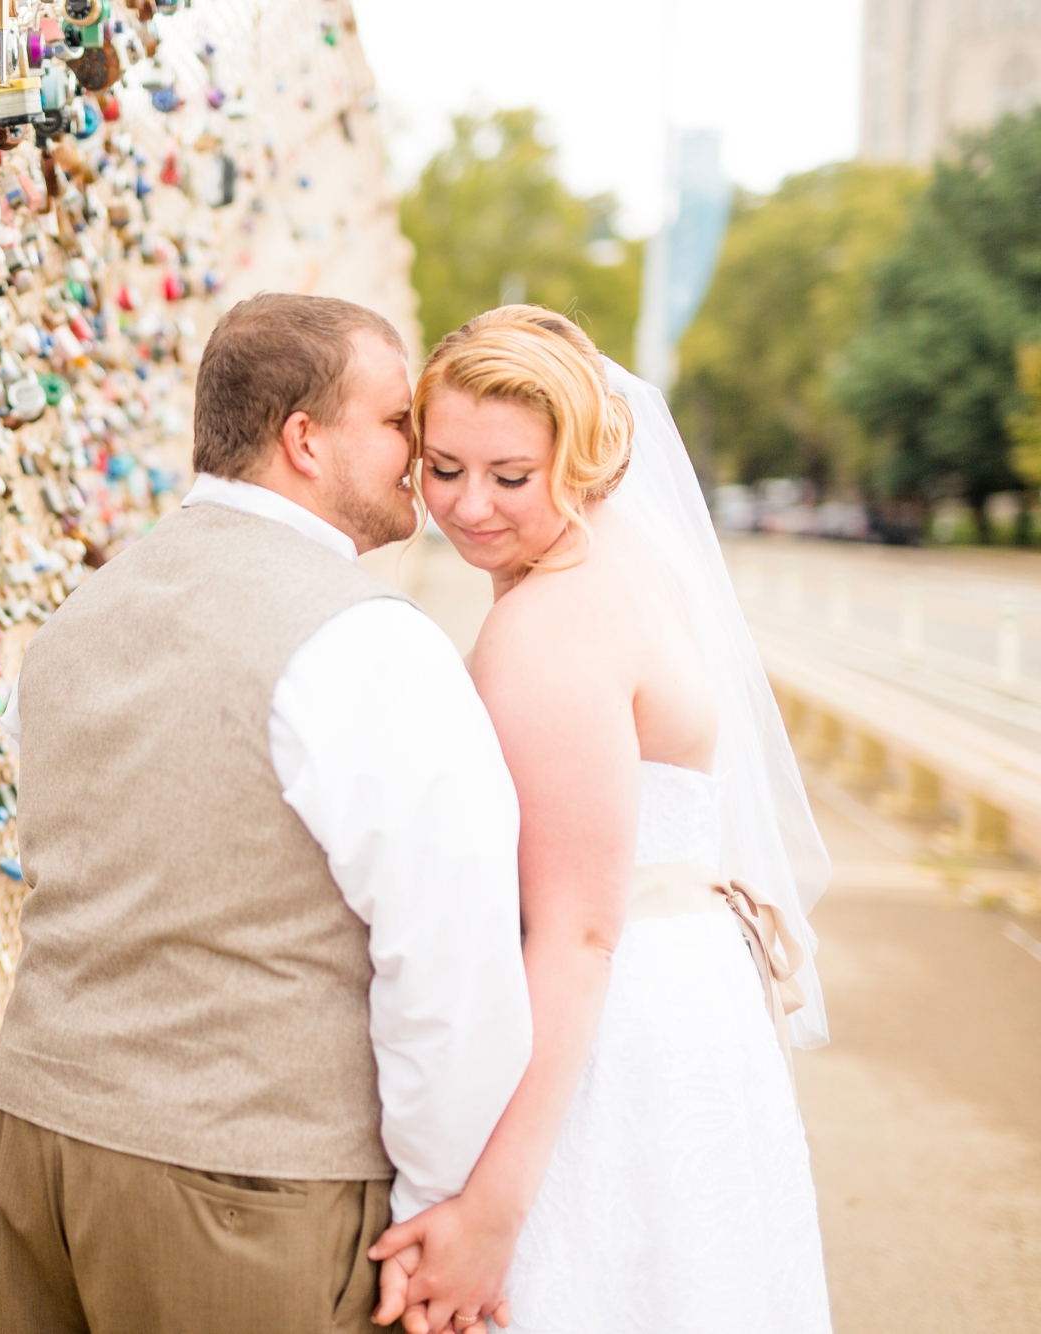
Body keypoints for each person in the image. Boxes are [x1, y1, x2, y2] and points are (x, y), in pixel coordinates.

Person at [0, 293, 532, 1334]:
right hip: (246, 1186)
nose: (417, 450)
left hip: (41, 1148)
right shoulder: (364, 639)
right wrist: (439, 1206)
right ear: (303, 440)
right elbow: (450, 959)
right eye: (394, 420)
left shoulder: (82, 612)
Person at [370, 305, 833, 1334]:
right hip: (683, 998)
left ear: (579, 461)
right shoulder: (622, 558)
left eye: (509, 474)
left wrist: (490, 1208)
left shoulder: (547, 631)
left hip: (608, 1037)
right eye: (441, 465)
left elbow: (577, 931)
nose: (468, 506)